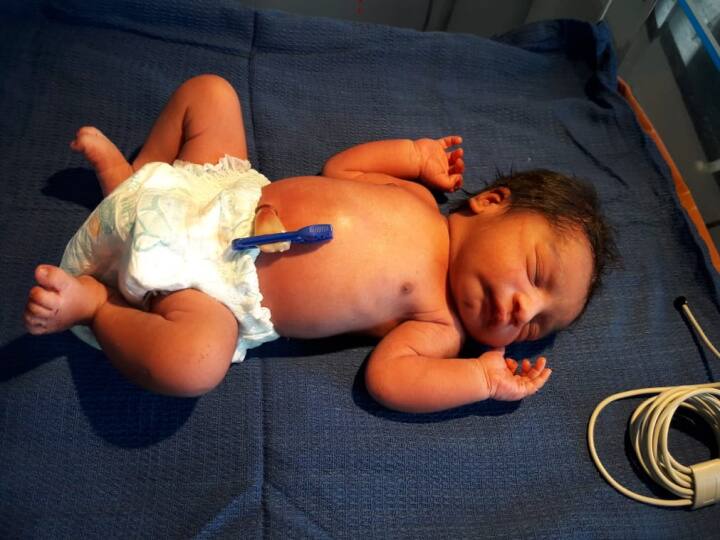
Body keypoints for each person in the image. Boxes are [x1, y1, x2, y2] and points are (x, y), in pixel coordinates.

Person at [23, 75, 616, 413]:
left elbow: (390, 379)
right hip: (227, 193)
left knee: (194, 364)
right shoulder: (418, 201)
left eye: (536, 327)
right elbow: (343, 170)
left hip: (221, 286)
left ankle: (97, 306)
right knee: (212, 94)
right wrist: (412, 154)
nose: (523, 312)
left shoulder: (439, 323)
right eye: (536, 274)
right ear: (491, 202)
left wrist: (480, 381)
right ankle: (139, 177)